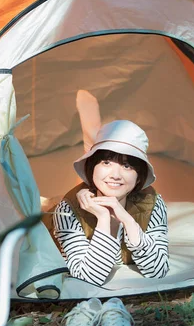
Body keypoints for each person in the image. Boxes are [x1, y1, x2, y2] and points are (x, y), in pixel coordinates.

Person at [53, 119, 169, 287]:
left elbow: (158, 271)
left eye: (127, 166)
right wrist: (104, 219)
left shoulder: (152, 204)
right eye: (106, 162)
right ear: (92, 167)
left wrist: (128, 221)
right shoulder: (68, 210)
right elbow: (88, 279)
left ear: (138, 177)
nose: (115, 175)